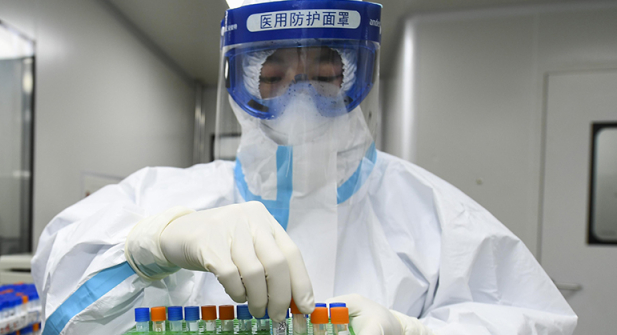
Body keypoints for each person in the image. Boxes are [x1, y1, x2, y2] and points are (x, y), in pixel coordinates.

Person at [31, 1, 578, 334]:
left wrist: (414, 332)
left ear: (357, 75)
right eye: (273, 74)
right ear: (240, 81)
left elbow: (534, 320)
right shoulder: (168, 197)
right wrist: (150, 245)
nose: (300, 96)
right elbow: (61, 297)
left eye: (323, 71)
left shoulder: (433, 215)